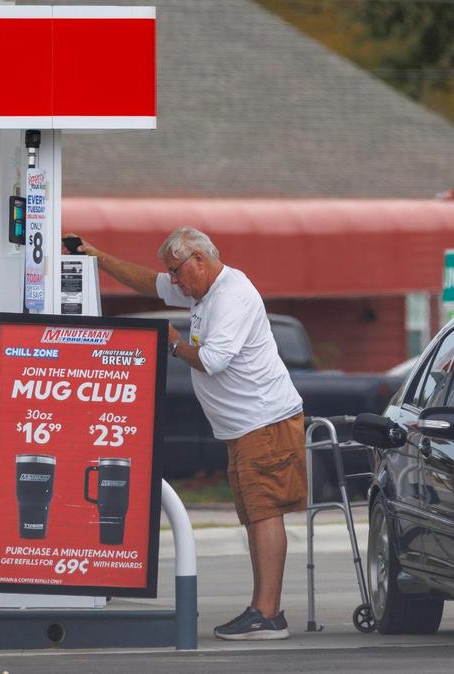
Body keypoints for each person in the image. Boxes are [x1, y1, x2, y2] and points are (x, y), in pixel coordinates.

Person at [69, 227, 305, 641]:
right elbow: (150, 283)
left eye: (178, 271)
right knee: (254, 514)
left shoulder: (230, 294)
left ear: (200, 258)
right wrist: (96, 256)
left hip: (264, 421)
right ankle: (262, 610)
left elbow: (212, 361)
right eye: (172, 274)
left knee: (265, 512)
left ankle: (268, 614)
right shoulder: (202, 290)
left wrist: (175, 343)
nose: (174, 281)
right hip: (245, 426)